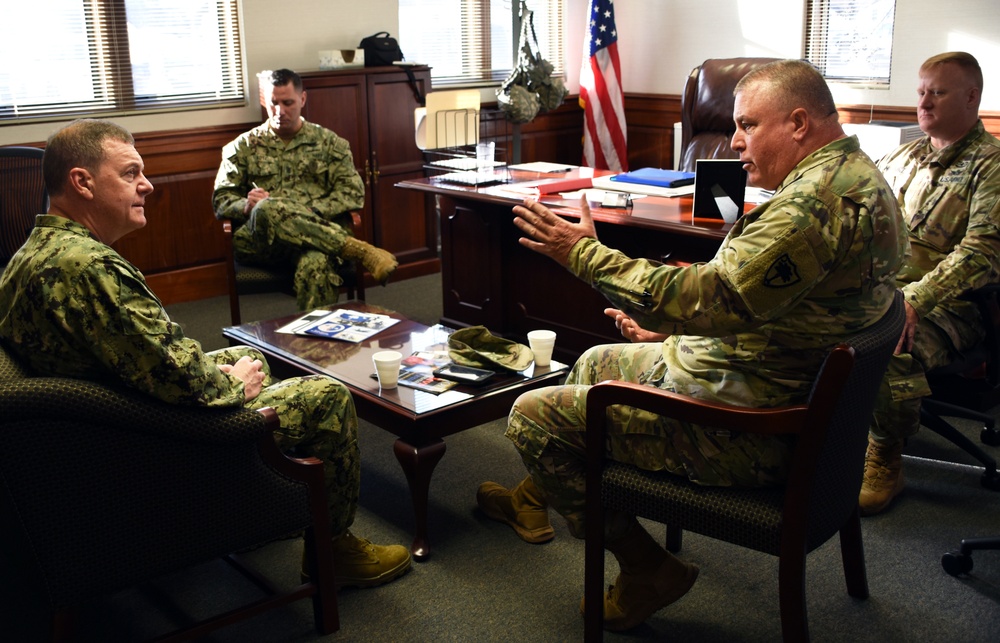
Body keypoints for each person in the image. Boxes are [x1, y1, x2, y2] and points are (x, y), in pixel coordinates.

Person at [476, 59, 906, 631]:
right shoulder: (853, 176)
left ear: (798, 122)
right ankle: (536, 497)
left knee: (530, 416)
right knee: (592, 361)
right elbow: (766, 305)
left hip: (752, 425)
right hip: (769, 379)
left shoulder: (815, 205)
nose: (734, 142)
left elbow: (716, 293)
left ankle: (646, 567)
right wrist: (676, 330)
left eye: (748, 125)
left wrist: (581, 253)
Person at [0, 119, 411, 589]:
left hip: (101, 424)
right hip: (149, 446)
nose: (147, 184)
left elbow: (142, 356)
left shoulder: (34, 250)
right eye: (131, 173)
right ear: (82, 182)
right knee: (327, 395)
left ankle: (259, 507)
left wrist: (225, 367)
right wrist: (235, 383)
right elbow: (185, 381)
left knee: (246, 352)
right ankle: (332, 553)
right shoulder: (88, 268)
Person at [859, 51, 1000, 516]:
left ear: (971, 97)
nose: (924, 102)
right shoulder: (904, 154)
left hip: (956, 306)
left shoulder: (990, 166)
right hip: (881, 291)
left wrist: (914, 298)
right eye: (921, 91)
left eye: (936, 92)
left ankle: (885, 457)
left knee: (884, 337)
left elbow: (982, 253)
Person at [212, 68, 397, 310]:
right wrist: (246, 205)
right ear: (264, 102)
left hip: (318, 241)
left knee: (317, 263)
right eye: (273, 103)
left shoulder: (330, 143)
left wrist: (306, 212)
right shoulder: (242, 146)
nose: (280, 111)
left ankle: (314, 345)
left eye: (287, 103)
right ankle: (361, 252)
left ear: (302, 99)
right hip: (263, 243)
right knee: (267, 208)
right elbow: (221, 199)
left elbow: (352, 192)